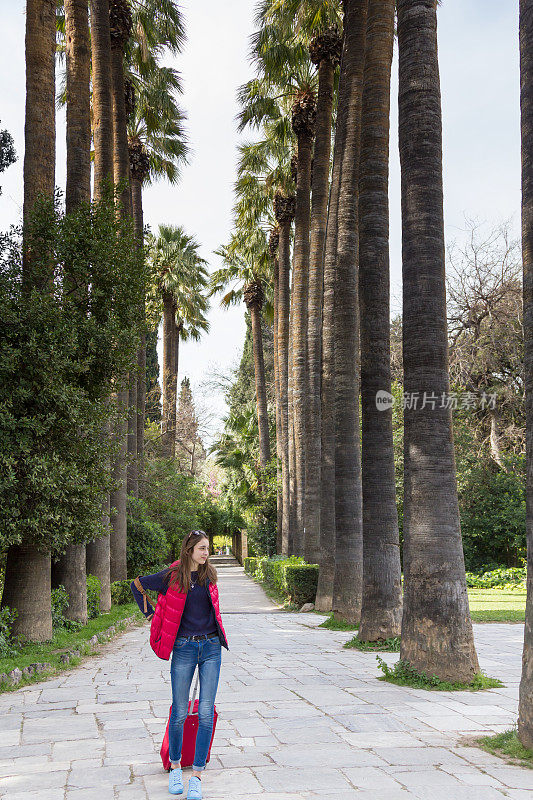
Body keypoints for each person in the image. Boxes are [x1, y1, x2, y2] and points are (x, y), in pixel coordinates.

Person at [131, 531, 229, 799]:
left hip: (210, 647)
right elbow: (136, 584)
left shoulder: (209, 575)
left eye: (207, 548)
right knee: (179, 712)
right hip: (184, 648)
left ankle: (196, 775)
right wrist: (151, 614)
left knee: (206, 712)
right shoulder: (172, 576)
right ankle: (175, 768)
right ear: (189, 550)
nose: (206, 553)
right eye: (201, 548)